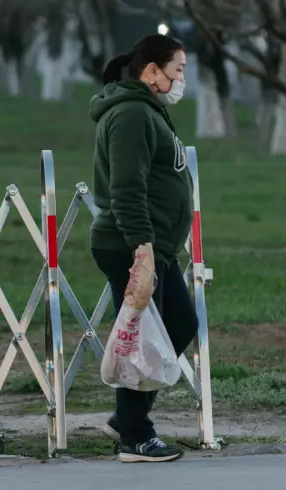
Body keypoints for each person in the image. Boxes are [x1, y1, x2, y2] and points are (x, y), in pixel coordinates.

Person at [88, 33, 199, 463]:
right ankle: (136, 436)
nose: (181, 80)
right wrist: (143, 250)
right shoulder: (132, 114)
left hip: (152, 246)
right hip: (131, 245)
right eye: (177, 70)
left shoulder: (146, 110)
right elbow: (127, 189)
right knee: (143, 340)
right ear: (152, 71)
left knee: (178, 324)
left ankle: (126, 419)